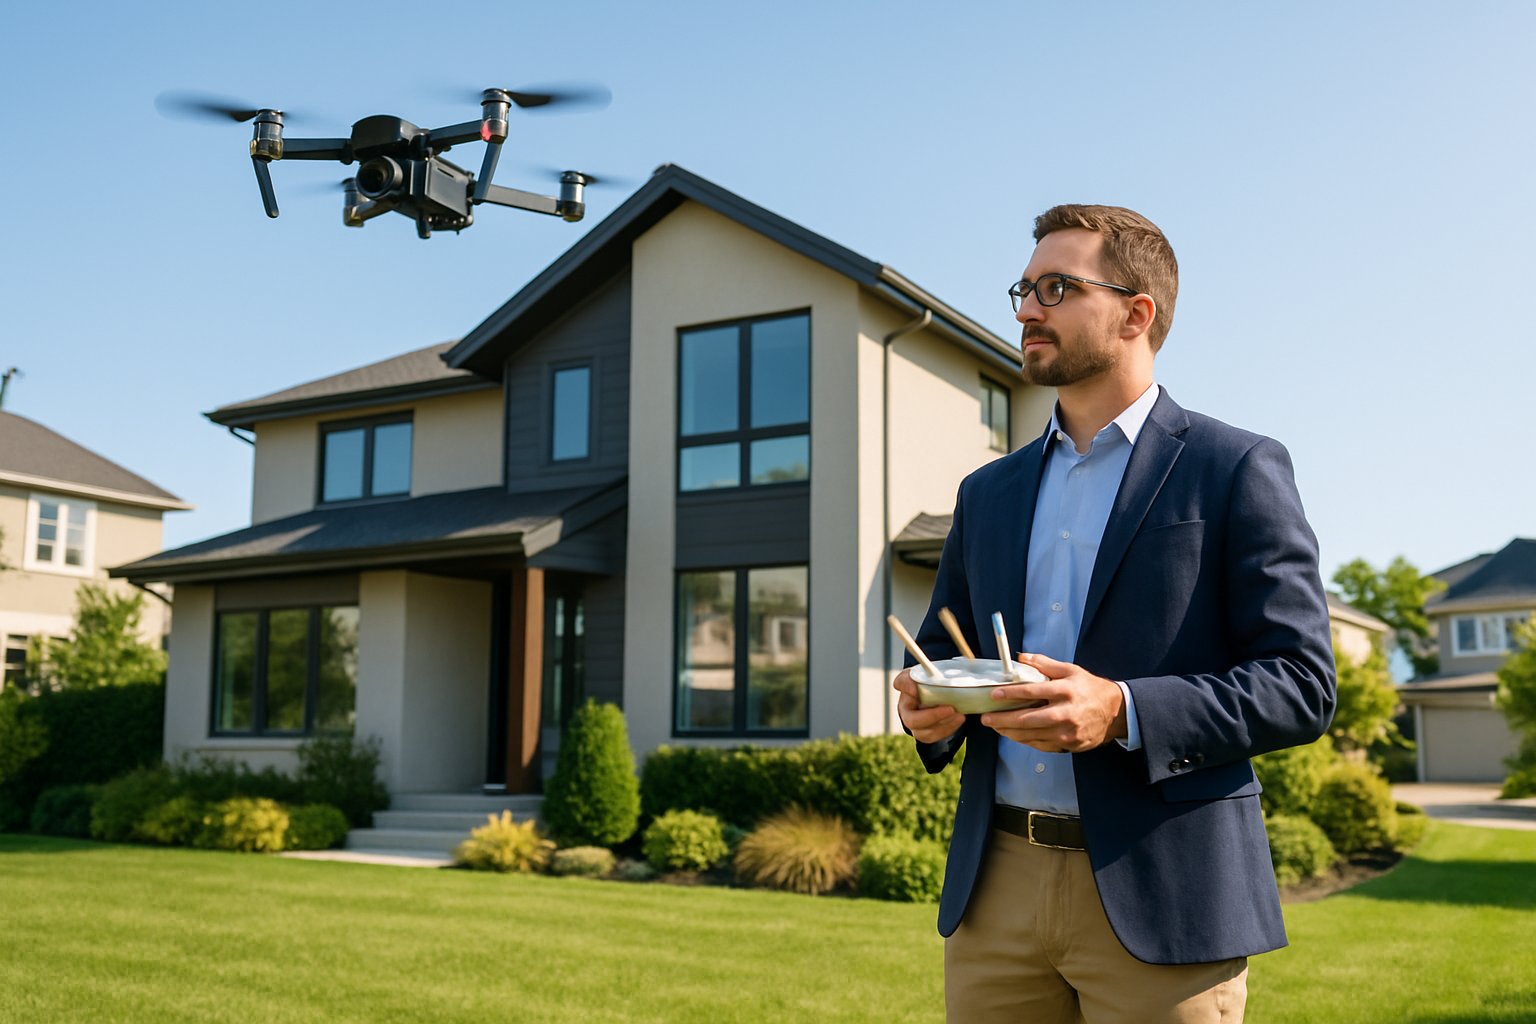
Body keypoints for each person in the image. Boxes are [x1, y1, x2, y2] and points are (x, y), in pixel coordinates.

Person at [893, 204, 1335, 1023]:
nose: (1028, 308)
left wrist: (1121, 709)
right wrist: (932, 710)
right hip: (996, 895)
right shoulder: (985, 493)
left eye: (1056, 288)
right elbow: (936, 653)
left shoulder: (1234, 467)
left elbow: (1302, 684)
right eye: (1024, 289)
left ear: (1138, 313)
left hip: (1166, 893)